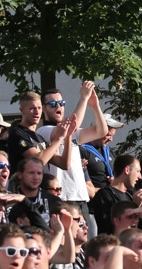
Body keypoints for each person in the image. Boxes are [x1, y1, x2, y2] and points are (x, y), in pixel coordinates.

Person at [36, 83, 108, 221]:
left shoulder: (70, 132)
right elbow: (72, 126)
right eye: (52, 103)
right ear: (43, 108)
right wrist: (83, 98)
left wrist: (95, 106)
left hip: (80, 196)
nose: (58, 107)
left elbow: (101, 131)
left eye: (61, 103)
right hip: (61, 197)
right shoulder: (42, 131)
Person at [79, 113, 124, 190]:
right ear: (97, 131)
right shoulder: (82, 150)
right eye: (108, 135)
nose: (111, 139)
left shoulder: (108, 150)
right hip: (94, 198)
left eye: (112, 136)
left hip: (111, 195)